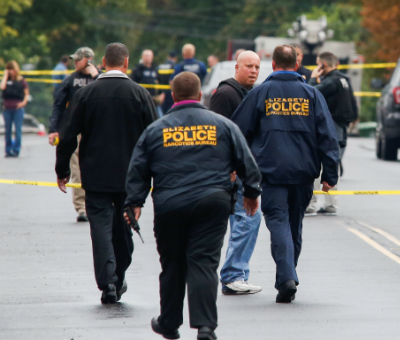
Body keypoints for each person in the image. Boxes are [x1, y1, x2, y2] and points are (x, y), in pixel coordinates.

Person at [123, 71, 261, 340]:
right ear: (201, 96)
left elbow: (138, 168)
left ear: (173, 96)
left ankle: (169, 322)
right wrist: (252, 193)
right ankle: (205, 326)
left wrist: (134, 203)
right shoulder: (222, 125)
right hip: (212, 202)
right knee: (204, 263)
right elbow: (247, 161)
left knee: (173, 264)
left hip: (170, 203)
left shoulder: (156, 129)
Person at [231, 45, 339, 303]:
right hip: (304, 173)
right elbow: (328, 135)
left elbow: (237, 130)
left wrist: (235, 166)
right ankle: (286, 278)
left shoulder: (261, 93)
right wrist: (330, 174)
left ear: (274, 65)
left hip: (271, 172)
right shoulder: (311, 94)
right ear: (296, 65)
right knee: (294, 224)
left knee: (278, 222)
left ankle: (287, 276)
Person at [55, 42, 157, 304]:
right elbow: (154, 136)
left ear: (102, 61)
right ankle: (119, 273)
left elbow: (68, 134)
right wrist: (155, 173)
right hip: (129, 177)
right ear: (126, 63)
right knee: (123, 229)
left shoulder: (87, 94)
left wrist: (62, 168)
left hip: (96, 174)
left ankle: (107, 282)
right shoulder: (140, 94)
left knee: (100, 228)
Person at [209, 50, 263, 295]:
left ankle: (237, 274)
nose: (253, 71)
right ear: (237, 68)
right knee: (247, 219)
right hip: (234, 170)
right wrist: (228, 166)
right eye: (249, 66)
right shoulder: (225, 94)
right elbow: (220, 135)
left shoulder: (251, 93)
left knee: (246, 220)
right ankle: (233, 275)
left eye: (257, 67)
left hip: (246, 167)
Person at [49, 47, 99, 222]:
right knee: (77, 169)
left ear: (89, 59)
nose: (75, 62)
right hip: (76, 130)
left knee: (98, 167)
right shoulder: (71, 79)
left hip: (97, 130)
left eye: (78, 59)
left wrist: (96, 76)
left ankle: (99, 203)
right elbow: (58, 105)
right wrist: (54, 129)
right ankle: (81, 208)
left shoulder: (101, 78)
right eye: (74, 59)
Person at [306, 51, 358, 216]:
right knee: (332, 165)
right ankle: (331, 203)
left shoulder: (331, 82)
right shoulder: (344, 79)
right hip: (341, 128)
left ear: (323, 65)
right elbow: (353, 104)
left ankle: (311, 204)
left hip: (329, 127)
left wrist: (314, 78)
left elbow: (309, 92)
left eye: (317, 64)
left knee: (317, 166)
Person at [1, 61, 29, 158]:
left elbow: (26, 94)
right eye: (8, 70)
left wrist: (23, 103)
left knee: (17, 130)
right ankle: (8, 150)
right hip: (7, 108)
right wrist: (5, 75)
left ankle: (16, 149)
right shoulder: (6, 80)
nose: (10, 71)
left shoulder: (21, 80)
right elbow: (2, 87)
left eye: (11, 69)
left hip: (17, 108)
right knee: (8, 130)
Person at [131, 49, 163, 116]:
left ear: (152, 57)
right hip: (141, 102)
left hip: (155, 102)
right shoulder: (137, 70)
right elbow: (132, 85)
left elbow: (160, 84)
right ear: (142, 57)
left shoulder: (155, 70)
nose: (147, 58)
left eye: (149, 56)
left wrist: (161, 95)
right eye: (146, 56)